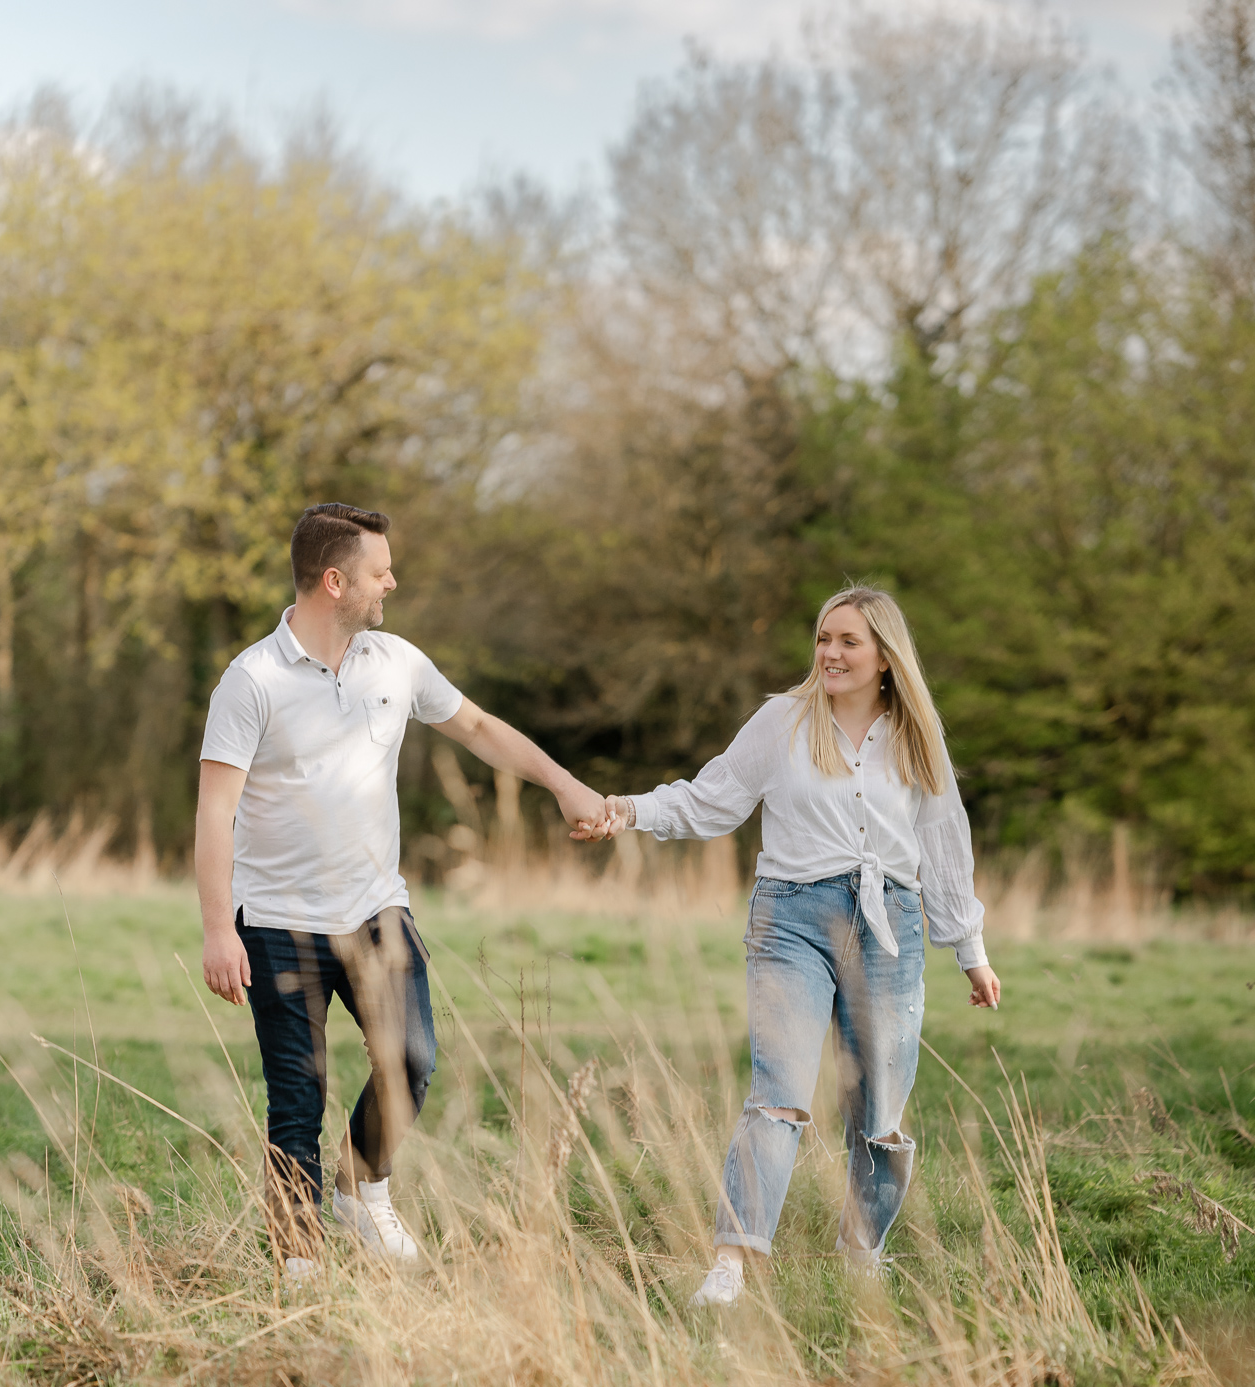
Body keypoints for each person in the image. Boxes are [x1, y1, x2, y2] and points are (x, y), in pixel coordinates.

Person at [196, 502, 608, 1279]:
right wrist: (220, 930)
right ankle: (298, 1265)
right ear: (334, 581)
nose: (392, 581)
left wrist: (564, 784)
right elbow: (215, 809)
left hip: (377, 910)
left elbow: (481, 728)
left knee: (412, 1058)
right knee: (298, 1099)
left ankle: (360, 1187)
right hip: (279, 922)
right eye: (379, 571)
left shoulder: (397, 662)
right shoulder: (251, 680)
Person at [591, 585, 1001, 1307]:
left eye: (849, 641)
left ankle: (862, 1248)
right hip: (791, 920)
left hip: (889, 926)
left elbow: (943, 844)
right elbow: (710, 799)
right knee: (778, 1097)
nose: (831, 653)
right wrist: (627, 810)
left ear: (884, 656)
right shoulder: (783, 721)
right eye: (823, 639)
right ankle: (732, 1262)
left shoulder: (915, 734)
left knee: (879, 1114)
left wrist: (969, 948)